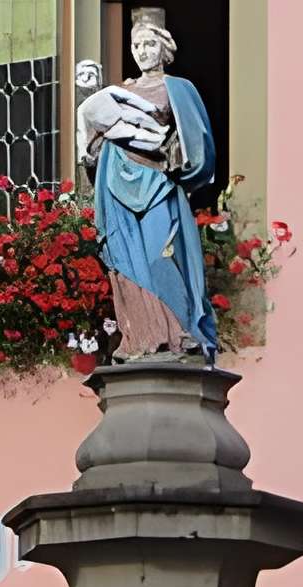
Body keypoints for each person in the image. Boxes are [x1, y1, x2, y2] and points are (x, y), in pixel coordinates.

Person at [72, 9, 221, 362]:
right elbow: (98, 137)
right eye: (136, 45)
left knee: (159, 256)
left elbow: (196, 139)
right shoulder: (119, 91)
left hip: (158, 183)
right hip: (118, 183)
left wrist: (177, 156)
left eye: (149, 43)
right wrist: (91, 149)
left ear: (164, 48)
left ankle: (179, 332)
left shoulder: (179, 88)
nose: (142, 51)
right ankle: (142, 335)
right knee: (127, 262)